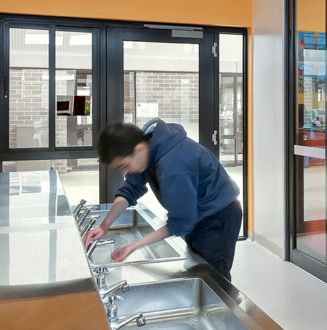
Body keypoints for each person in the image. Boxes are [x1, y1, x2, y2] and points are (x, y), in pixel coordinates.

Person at [87, 119, 242, 281]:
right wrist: (104, 226)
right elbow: (130, 190)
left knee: (213, 276)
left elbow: (181, 223)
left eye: (125, 166)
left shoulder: (173, 167)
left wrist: (133, 246)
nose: (126, 171)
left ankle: (220, 305)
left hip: (219, 216)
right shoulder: (148, 147)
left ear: (138, 149)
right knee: (198, 265)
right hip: (198, 212)